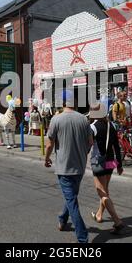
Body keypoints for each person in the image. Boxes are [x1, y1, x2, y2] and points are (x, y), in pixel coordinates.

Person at [45, 89, 93, 243]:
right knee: (71, 197)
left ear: (63, 102)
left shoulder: (56, 119)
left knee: (72, 201)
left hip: (64, 168)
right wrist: (82, 154)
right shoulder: (84, 119)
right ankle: (62, 219)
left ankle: (82, 238)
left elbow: (49, 144)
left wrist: (46, 158)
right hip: (79, 167)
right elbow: (90, 143)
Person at [89, 102, 125, 234]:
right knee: (105, 190)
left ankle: (117, 221)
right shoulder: (112, 125)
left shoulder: (92, 127)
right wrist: (120, 165)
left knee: (101, 192)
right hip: (111, 162)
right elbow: (117, 146)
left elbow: (88, 146)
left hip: (99, 162)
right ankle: (99, 215)